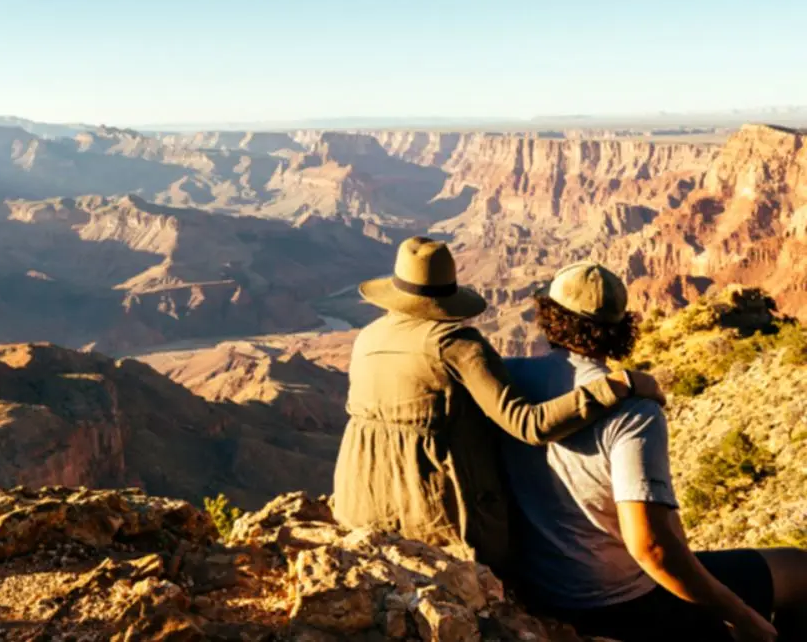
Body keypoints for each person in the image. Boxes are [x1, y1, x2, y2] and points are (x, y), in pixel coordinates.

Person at [501, 261, 807, 642]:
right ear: (621, 328)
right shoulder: (634, 413)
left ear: (549, 315)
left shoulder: (505, 382)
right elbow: (651, 548)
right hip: (618, 602)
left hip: (536, 591)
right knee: (799, 570)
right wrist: (744, 617)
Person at [332, 237, 664, 574]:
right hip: (433, 516)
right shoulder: (455, 344)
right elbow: (529, 425)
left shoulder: (368, 337)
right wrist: (617, 386)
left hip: (360, 502)